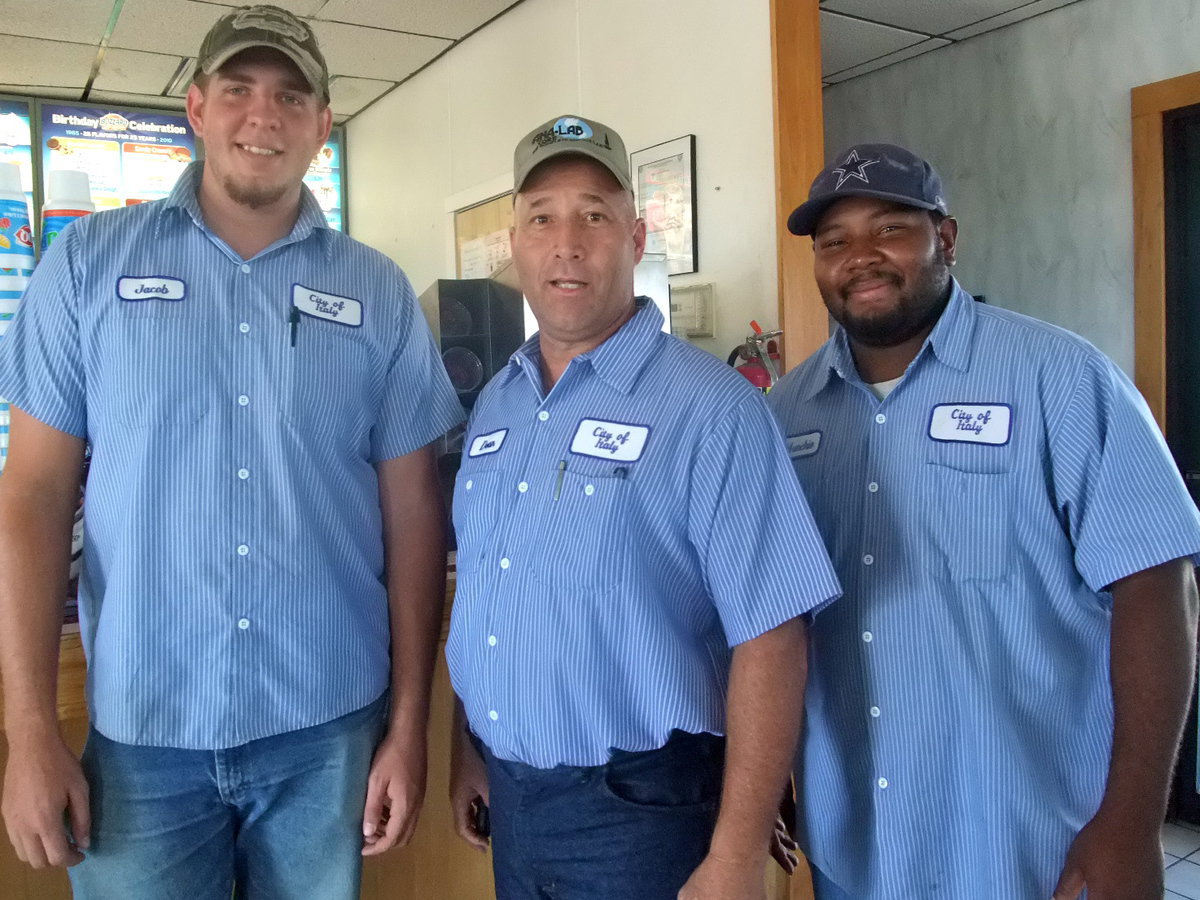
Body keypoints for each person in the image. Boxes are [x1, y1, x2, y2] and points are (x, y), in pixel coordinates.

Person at [0, 6, 464, 898]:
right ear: (197, 107)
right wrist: (29, 731)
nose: (266, 115)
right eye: (242, 91)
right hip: (144, 743)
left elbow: (413, 515)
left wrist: (408, 726)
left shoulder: (377, 293)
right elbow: (31, 495)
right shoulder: (88, 267)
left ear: (323, 124)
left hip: (327, 738)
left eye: (292, 96)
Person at [768, 142, 1200, 900]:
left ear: (948, 238)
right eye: (834, 241)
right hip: (855, 844)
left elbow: (1159, 589)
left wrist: (1131, 824)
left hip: (1027, 841)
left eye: (890, 229)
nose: (860, 257)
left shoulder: (1061, 379)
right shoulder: (785, 414)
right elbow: (768, 616)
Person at [444, 113, 841, 900]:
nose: (567, 242)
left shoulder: (712, 409)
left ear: (635, 236)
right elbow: (494, 587)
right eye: (542, 218)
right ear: (514, 245)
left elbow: (774, 635)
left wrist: (732, 859)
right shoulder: (497, 404)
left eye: (594, 214)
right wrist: (469, 749)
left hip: (642, 807)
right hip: (514, 798)